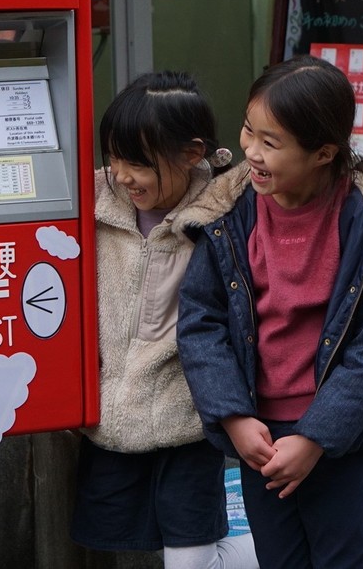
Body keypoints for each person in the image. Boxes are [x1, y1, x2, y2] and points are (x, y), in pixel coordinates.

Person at [177, 55, 363, 568]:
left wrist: (315, 437)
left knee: (339, 557)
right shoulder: (228, 213)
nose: (251, 151)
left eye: (272, 142)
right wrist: (236, 417)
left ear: (323, 153)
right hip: (259, 436)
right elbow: (201, 322)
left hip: (342, 438)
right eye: (249, 130)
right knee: (279, 560)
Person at [70, 71, 258, 569]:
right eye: (113, 158)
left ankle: (298, 545)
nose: (122, 174)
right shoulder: (89, 205)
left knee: (190, 560)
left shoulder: (227, 212)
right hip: (110, 419)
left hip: (189, 419)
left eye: (137, 162)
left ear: (192, 153)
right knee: (116, 541)